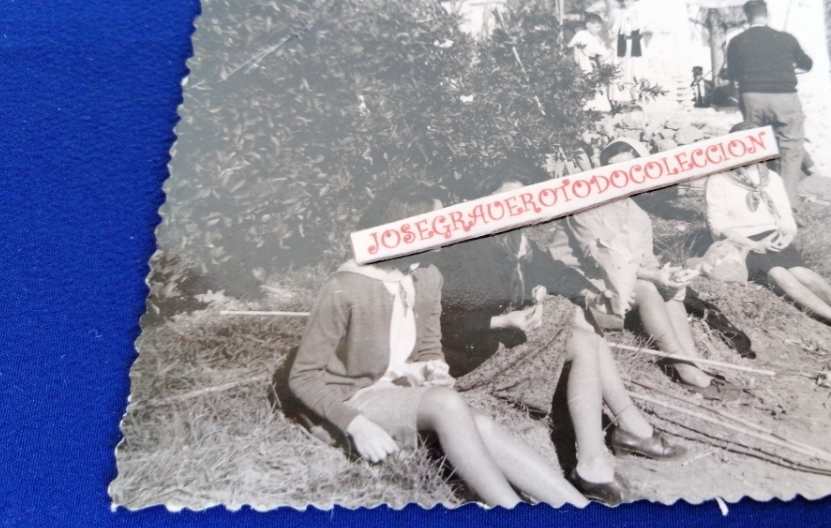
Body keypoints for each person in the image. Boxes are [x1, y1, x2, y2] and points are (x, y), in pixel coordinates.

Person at [287, 183, 588, 509]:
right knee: (447, 405)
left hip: (394, 389)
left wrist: (434, 368)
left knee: (480, 425)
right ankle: (511, 513)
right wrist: (355, 425)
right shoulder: (346, 287)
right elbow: (302, 376)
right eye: (435, 223)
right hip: (350, 398)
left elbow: (430, 345)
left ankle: (578, 511)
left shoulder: (427, 276)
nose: (446, 232)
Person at [437, 164, 681, 504]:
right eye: (502, 202)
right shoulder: (468, 251)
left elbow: (555, 272)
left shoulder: (513, 241)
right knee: (576, 327)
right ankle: (616, 442)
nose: (512, 210)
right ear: (482, 205)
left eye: (521, 202)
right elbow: (443, 322)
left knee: (578, 320)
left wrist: (593, 295)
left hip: (495, 344)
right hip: (471, 362)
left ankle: (610, 445)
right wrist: (501, 323)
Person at [553, 139, 735, 399]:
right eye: (612, 169)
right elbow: (604, 259)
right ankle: (684, 370)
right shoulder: (585, 205)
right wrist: (653, 276)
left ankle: (694, 363)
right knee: (648, 289)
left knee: (666, 290)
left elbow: (645, 263)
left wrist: (669, 276)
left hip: (613, 280)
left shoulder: (638, 216)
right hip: (576, 282)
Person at [705, 123, 831, 337]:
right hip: (741, 242)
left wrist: (787, 234)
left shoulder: (771, 178)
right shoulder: (719, 179)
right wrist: (753, 244)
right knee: (779, 273)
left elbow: (785, 216)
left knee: (801, 272)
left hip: (773, 237)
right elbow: (717, 224)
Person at [722, 0, 813, 202]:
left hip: (752, 97)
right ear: (767, 15)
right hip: (785, 98)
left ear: (746, 17)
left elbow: (732, 72)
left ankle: (757, 197)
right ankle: (786, 204)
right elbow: (807, 64)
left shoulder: (737, 41)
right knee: (791, 149)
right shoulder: (785, 38)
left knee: (755, 148)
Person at [566, 13, 613, 112]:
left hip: (594, 63)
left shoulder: (596, 38)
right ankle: (586, 106)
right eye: (597, 26)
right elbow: (573, 48)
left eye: (600, 27)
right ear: (588, 25)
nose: (599, 29)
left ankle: (599, 107)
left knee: (597, 83)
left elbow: (602, 51)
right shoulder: (581, 34)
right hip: (584, 62)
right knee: (586, 82)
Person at [609, 0, 647, 107]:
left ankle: (635, 98)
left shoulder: (637, 11)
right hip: (622, 42)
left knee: (634, 69)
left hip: (635, 42)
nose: (627, 2)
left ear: (633, 0)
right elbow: (614, 27)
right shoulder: (618, 12)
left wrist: (633, 19)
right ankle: (619, 99)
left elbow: (641, 26)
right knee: (621, 69)